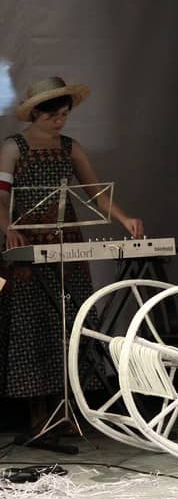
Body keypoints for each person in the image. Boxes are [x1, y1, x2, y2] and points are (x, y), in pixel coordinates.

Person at [0, 76, 143, 430]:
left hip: (67, 247)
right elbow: (0, 197)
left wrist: (125, 218)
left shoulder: (70, 148)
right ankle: (37, 414)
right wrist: (9, 228)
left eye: (64, 114)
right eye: (53, 116)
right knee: (32, 324)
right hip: (27, 245)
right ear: (36, 113)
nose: (60, 121)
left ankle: (68, 409)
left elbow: (96, 193)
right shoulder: (13, 147)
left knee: (71, 320)